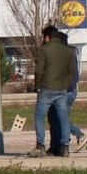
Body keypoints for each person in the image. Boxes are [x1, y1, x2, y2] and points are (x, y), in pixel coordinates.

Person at [31, 26, 77, 157]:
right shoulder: (69, 51)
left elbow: (39, 71)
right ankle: (65, 147)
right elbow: (72, 72)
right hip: (62, 90)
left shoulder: (44, 50)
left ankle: (40, 145)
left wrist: (37, 86)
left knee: (39, 116)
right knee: (63, 118)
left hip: (46, 89)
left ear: (47, 37)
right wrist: (66, 85)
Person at [65, 37, 87, 153]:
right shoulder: (73, 57)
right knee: (63, 117)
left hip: (67, 90)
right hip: (72, 89)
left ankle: (77, 136)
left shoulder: (65, 58)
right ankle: (70, 138)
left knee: (61, 118)